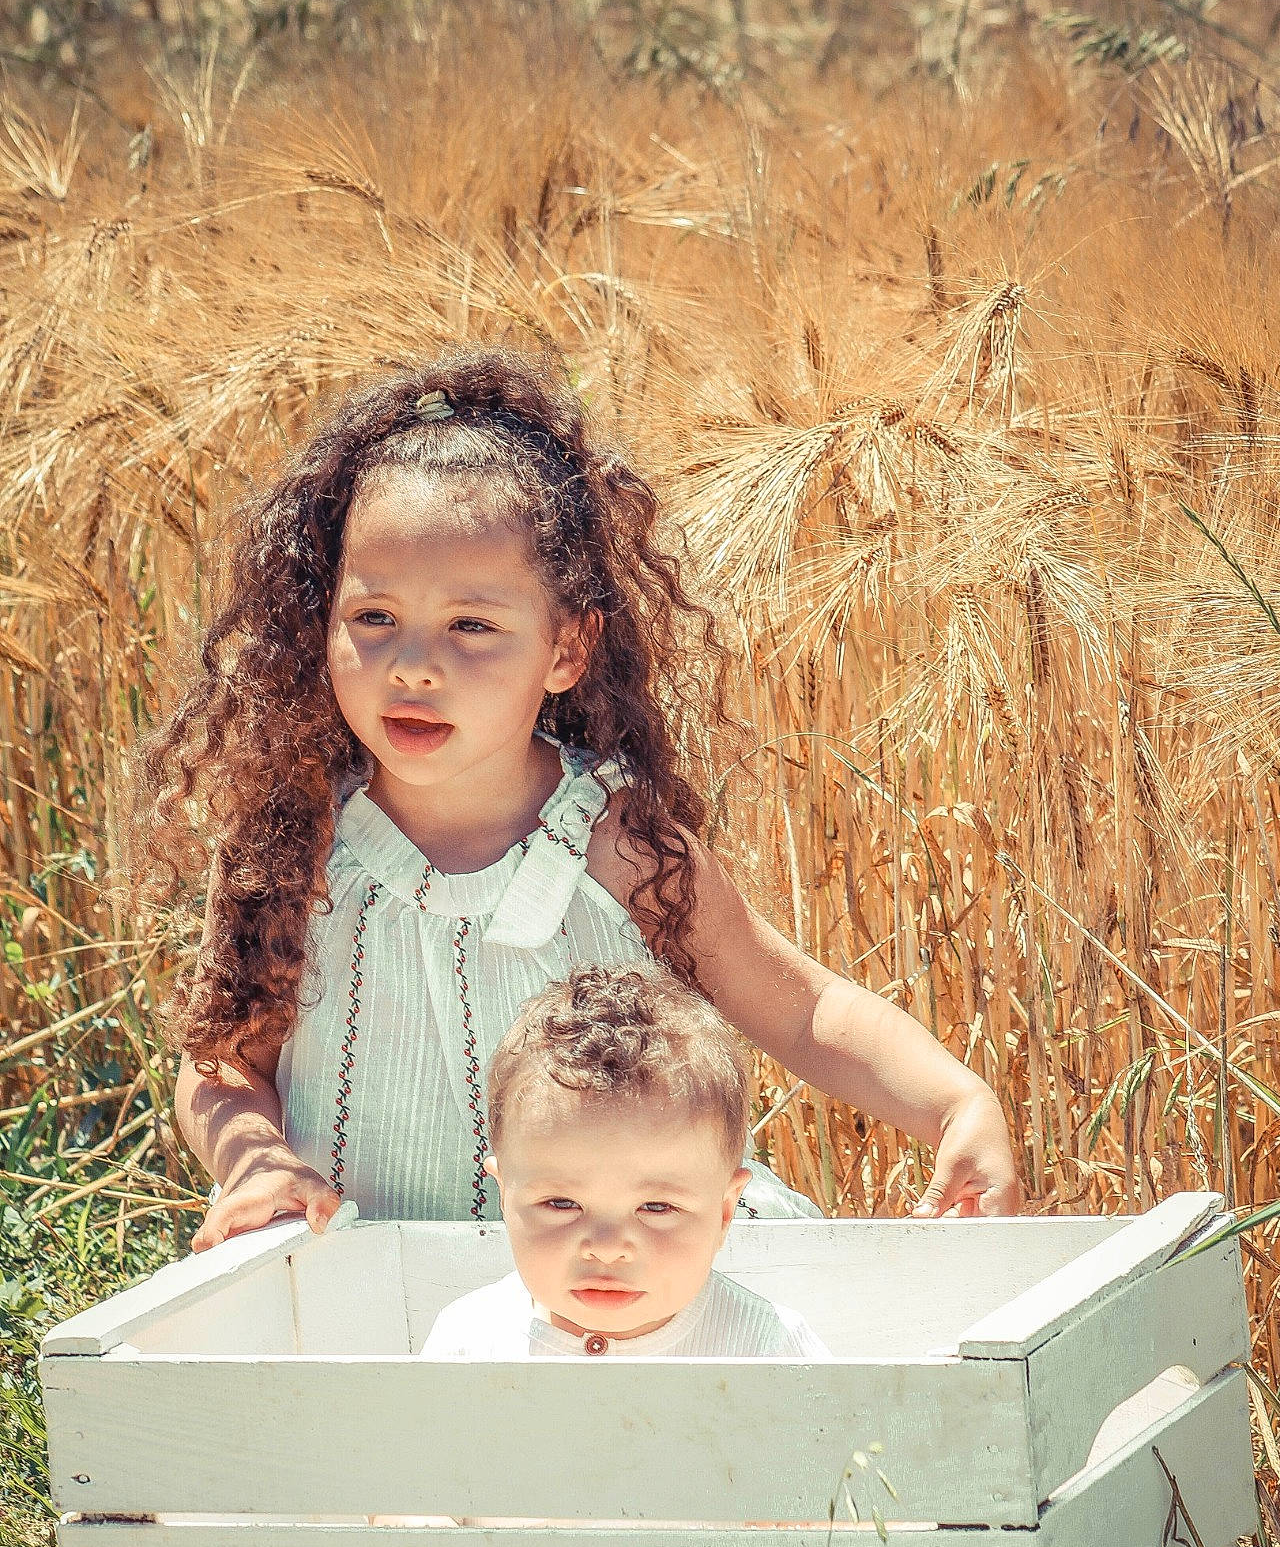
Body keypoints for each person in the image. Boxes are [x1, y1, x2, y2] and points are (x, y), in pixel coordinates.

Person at [134, 347, 1020, 1242]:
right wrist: (254, 1161)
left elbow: (800, 1010)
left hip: (620, 1283)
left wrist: (955, 1103)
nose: (413, 666)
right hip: (374, 1292)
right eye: (374, 618)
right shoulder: (296, 843)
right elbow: (223, 1059)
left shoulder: (614, 839)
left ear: (565, 648)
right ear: (318, 622)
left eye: (471, 626)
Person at [421, 964, 827, 1359]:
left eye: (656, 1207)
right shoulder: (469, 1343)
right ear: (505, 1196)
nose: (607, 1249)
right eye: (561, 1204)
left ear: (724, 1212)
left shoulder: (767, 1350)